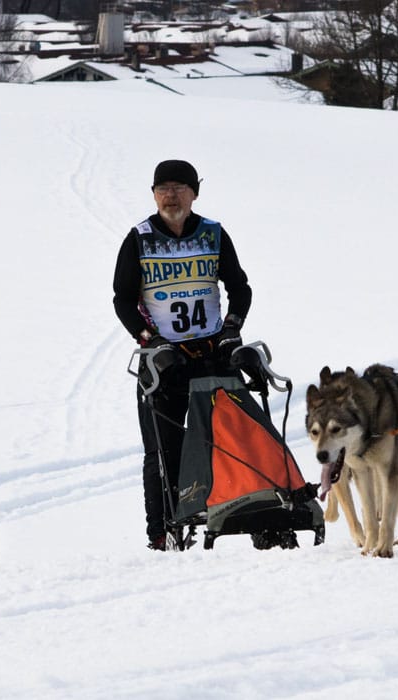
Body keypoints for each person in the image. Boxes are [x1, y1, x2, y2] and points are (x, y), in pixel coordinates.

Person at [113, 160, 252, 551]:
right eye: (163, 188)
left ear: (195, 192)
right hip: (165, 362)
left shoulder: (213, 234)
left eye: (179, 187)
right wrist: (148, 340)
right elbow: (122, 299)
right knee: (162, 450)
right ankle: (162, 534)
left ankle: (254, 512)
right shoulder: (139, 238)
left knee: (237, 437)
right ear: (154, 194)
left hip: (211, 354)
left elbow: (239, 288)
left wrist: (232, 329)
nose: (170, 195)